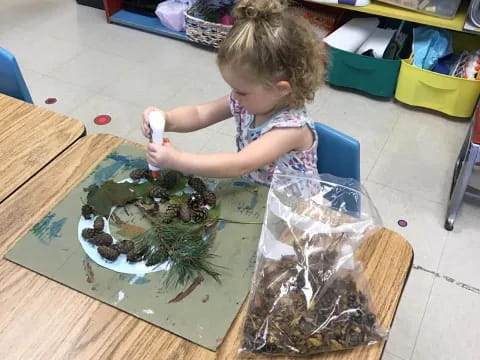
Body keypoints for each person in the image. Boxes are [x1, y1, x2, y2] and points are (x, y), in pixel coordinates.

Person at [142, 0, 324, 186]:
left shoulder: (290, 129)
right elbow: (200, 113)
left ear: (281, 90)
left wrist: (178, 160)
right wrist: (166, 119)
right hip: (255, 194)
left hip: (291, 209)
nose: (234, 97)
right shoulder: (248, 101)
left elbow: (240, 164)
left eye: (241, 91)